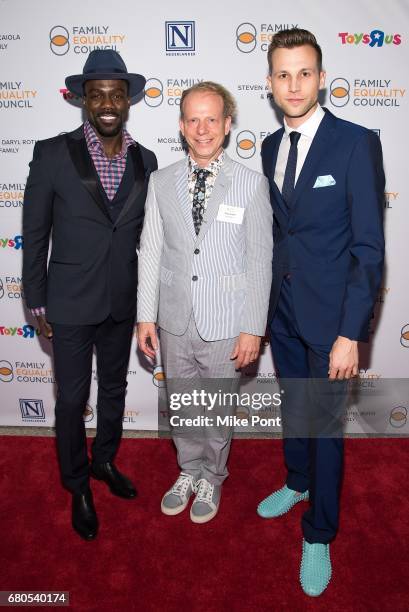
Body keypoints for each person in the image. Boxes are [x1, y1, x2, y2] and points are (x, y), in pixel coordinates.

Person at [258, 29, 385, 596]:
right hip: (280, 313)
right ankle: (297, 479)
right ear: (269, 83)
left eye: (304, 72)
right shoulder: (266, 147)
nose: (294, 84)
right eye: (283, 74)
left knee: (327, 428)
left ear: (322, 77)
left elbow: (368, 250)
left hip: (332, 320)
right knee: (293, 408)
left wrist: (350, 333)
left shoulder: (356, 143)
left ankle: (319, 533)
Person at [22, 50, 157, 541]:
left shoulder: (147, 160)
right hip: (69, 302)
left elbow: (150, 238)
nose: (106, 102)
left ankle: (104, 462)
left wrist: (148, 305)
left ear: (128, 100)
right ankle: (77, 483)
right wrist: (36, 302)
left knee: (115, 391)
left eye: (115, 94)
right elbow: (34, 234)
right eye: (96, 94)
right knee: (72, 399)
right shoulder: (53, 152)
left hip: (122, 301)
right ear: (83, 99)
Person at [137, 82, 273, 523]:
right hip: (175, 319)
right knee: (183, 403)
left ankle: (212, 477)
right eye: (193, 119)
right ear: (181, 126)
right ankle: (188, 469)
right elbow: (152, 252)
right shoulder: (160, 181)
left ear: (227, 125)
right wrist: (145, 317)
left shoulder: (252, 184)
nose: (202, 129)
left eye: (211, 119)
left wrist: (253, 327)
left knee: (215, 406)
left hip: (226, 322)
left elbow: (259, 262)